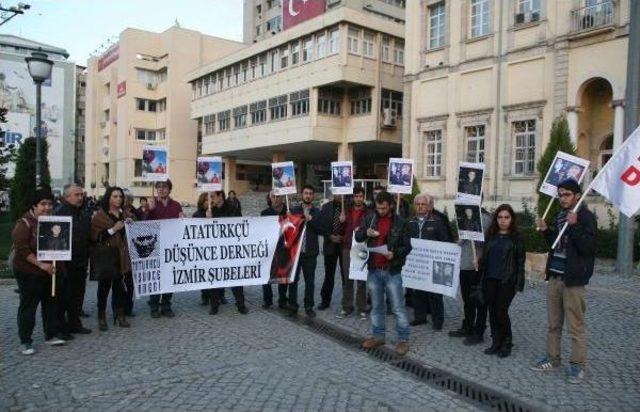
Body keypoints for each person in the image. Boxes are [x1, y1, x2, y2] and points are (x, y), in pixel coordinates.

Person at [533, 179, 596, 384]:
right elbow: (556, 245)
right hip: (555, 276)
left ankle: (577, 366)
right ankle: (553, 358)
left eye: (567, 194)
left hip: (573, 280)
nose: (562, 198)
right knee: (553, 323)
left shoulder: (586, 217)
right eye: (560, 194)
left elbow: (588, 248)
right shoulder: (560, 215)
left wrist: (575, 225)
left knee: (575, 326)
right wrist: (545, 231)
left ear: (577, 195)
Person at [356, 191, 410, 356]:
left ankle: (403, 339)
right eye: (378, 208)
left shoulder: (400, 222)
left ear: (391, 205)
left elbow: (407, 246)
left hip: (392, 270)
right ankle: (378, 336)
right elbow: (358, 237)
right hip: (374, 269)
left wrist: (395, 253)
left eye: (384, 208)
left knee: (398, 307)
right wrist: (366, 233)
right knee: (376, 306)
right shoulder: (370, 217)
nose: (380, 211)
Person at [12, 187, 66, 355]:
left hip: (49, 271)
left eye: (50, 204)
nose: (47, 207)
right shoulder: (24, 223)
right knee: (29, 306)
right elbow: (21, 248)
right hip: (29, 271)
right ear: (34, 206)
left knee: (50, 304)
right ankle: (25, 341)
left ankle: (51, 334)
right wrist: (41, 264)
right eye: (43, 204)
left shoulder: (52, 222)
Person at [479, 204, 525, 358]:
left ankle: (507, 342)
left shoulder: (516, 238)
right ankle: (496, 342)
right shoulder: (490, 236)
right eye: (500, 217)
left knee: (501, 311)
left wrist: (519, 283)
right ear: (496, 219)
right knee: (492, 311)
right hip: (490, 278)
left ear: (511, 219)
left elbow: (520, 261)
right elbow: (485, 258)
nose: (503, 220)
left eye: (506, 217)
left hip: (507, 280)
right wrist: (478, 262)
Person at [404, 194, 452, 330]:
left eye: (423, 204)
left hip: (434, 263)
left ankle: (438, 321)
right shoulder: (409, 222)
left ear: (428, 206)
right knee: (418, 291)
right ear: (414, 206)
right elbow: (405, 241)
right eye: (418, 204)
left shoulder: (437, 222)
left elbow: (446, 241)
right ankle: (420, 317)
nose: (420, 206)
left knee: (435, 293)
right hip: (417, 263)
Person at [91, 187, 135, 331]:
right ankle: (101, 316)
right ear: (108, 198)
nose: (118, 199)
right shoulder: (100, 216)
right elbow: (96, 237)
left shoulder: (125, 214)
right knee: (104, 288)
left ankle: (119, 314)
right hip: (107, 256)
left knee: (119, 287)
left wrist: (131, 223)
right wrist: (113, 229)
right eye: (115, 196)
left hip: (122, 256)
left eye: (120, 197)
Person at [53, 183, 92, 338]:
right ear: (67, 196)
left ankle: (75, 324)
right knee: (64, 297)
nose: (80, 197)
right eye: (77, 195)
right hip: (66, 264)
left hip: (80, 261)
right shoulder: (60, 213)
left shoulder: (82, 211)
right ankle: (61, 328)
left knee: (77, 296)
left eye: (81, 194)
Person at [450, 208, 493, 346]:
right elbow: (460, 241)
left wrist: (473, 232)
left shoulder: (485, 218)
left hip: (477, 265)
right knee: (467, 299)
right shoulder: (464, 216)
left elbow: (485, 242)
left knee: (480, 301)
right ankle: (467, 326)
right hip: (465, 264)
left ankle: (478, 331)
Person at [143, 179, 184, 318]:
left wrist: (183, 219)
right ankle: (154, 306)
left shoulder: (176, 205)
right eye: (158, 187)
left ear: (169, 189)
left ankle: (166, 305)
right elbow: (144, 225)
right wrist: (150, 210)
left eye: (164, 187)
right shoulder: (151, 204)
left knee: (169, 277)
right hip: (156, 247)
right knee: (156, 277)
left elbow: (181, 225)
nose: (161, 189)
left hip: (171, 247)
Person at [209, 190, 248, 315]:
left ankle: (240, 304)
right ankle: (214, 305)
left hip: (231, 250)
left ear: (220, 196)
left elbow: (240, 225)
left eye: (212, 196)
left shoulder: (233, 209)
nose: (211, 199)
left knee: (235, 278)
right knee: (215, 278)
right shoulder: (211, 211)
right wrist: (207, 219)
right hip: (216, 250)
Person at [287, 185, 322, 317]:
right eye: (306, 193)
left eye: (310, 193)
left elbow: (321, 229)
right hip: (296, 252)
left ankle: (309, 306)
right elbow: (288, 230)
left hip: (310, 252)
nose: (308, 195)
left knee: (310, 281)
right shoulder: (294, 210)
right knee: (293, 280)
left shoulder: (317, 212)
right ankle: (292, 306)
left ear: (313, 196)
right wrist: (288, 218)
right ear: (302, 195)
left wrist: (311, 220)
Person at [337, 187, 369, 320]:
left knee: (361, 279)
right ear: (353, 197)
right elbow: (340, 230)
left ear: (363, 197)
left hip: (361, 247)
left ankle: (362, 308)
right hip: (347, 247)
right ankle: (347, 307)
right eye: (356, 196)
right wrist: (341, 221)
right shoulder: (346, 210)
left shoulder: (369, 212)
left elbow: (371, 227)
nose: (358, 199)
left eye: (360, 196)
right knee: (347, 278)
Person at [317, 193, 346, 310]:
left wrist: (344, 237)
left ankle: (346, 302)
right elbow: (321, 226)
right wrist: (329, 236)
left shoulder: (348, 207)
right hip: (330, 245)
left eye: (341, 193)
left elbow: (353, 226)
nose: (339, 195)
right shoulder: (326, 207)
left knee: (345, 275)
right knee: (329, 274)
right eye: (337, 192)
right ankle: (325, 300)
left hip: (344, 246)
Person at [260, 191, 288, 308]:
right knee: (267, 274)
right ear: (270, 198)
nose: (276, 199)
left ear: (282, 198)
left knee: (284, 274)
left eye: (278, 196)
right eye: (273, 197)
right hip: (270, 248)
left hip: (284, 248)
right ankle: (268, 299)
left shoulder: (289, 212)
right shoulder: (264, 213)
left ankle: (282, 299)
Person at [192, 192, 214, 306]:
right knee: (204, 274)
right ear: (202, 202)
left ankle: (219, 296)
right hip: (202, 250)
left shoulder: (215, 212)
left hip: (214, 249)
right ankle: (205, 296)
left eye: (210, 200)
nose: (208, 202)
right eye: (206, 200)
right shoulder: (196, 215)